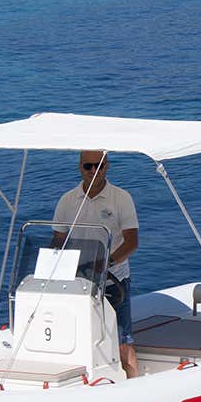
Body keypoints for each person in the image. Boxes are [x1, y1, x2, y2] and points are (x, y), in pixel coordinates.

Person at [53, 151, 140, 379]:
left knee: (122, 341)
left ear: (106, 167)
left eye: (98, 166)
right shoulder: (67, 201)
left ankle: (135, 382)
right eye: (88, 166)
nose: (93, 171)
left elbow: (131, 242)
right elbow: (58, 241)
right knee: (77, 338)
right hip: (77, 284)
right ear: (80, 167)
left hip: (113, 281)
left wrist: (106, 263)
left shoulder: (121, 198)